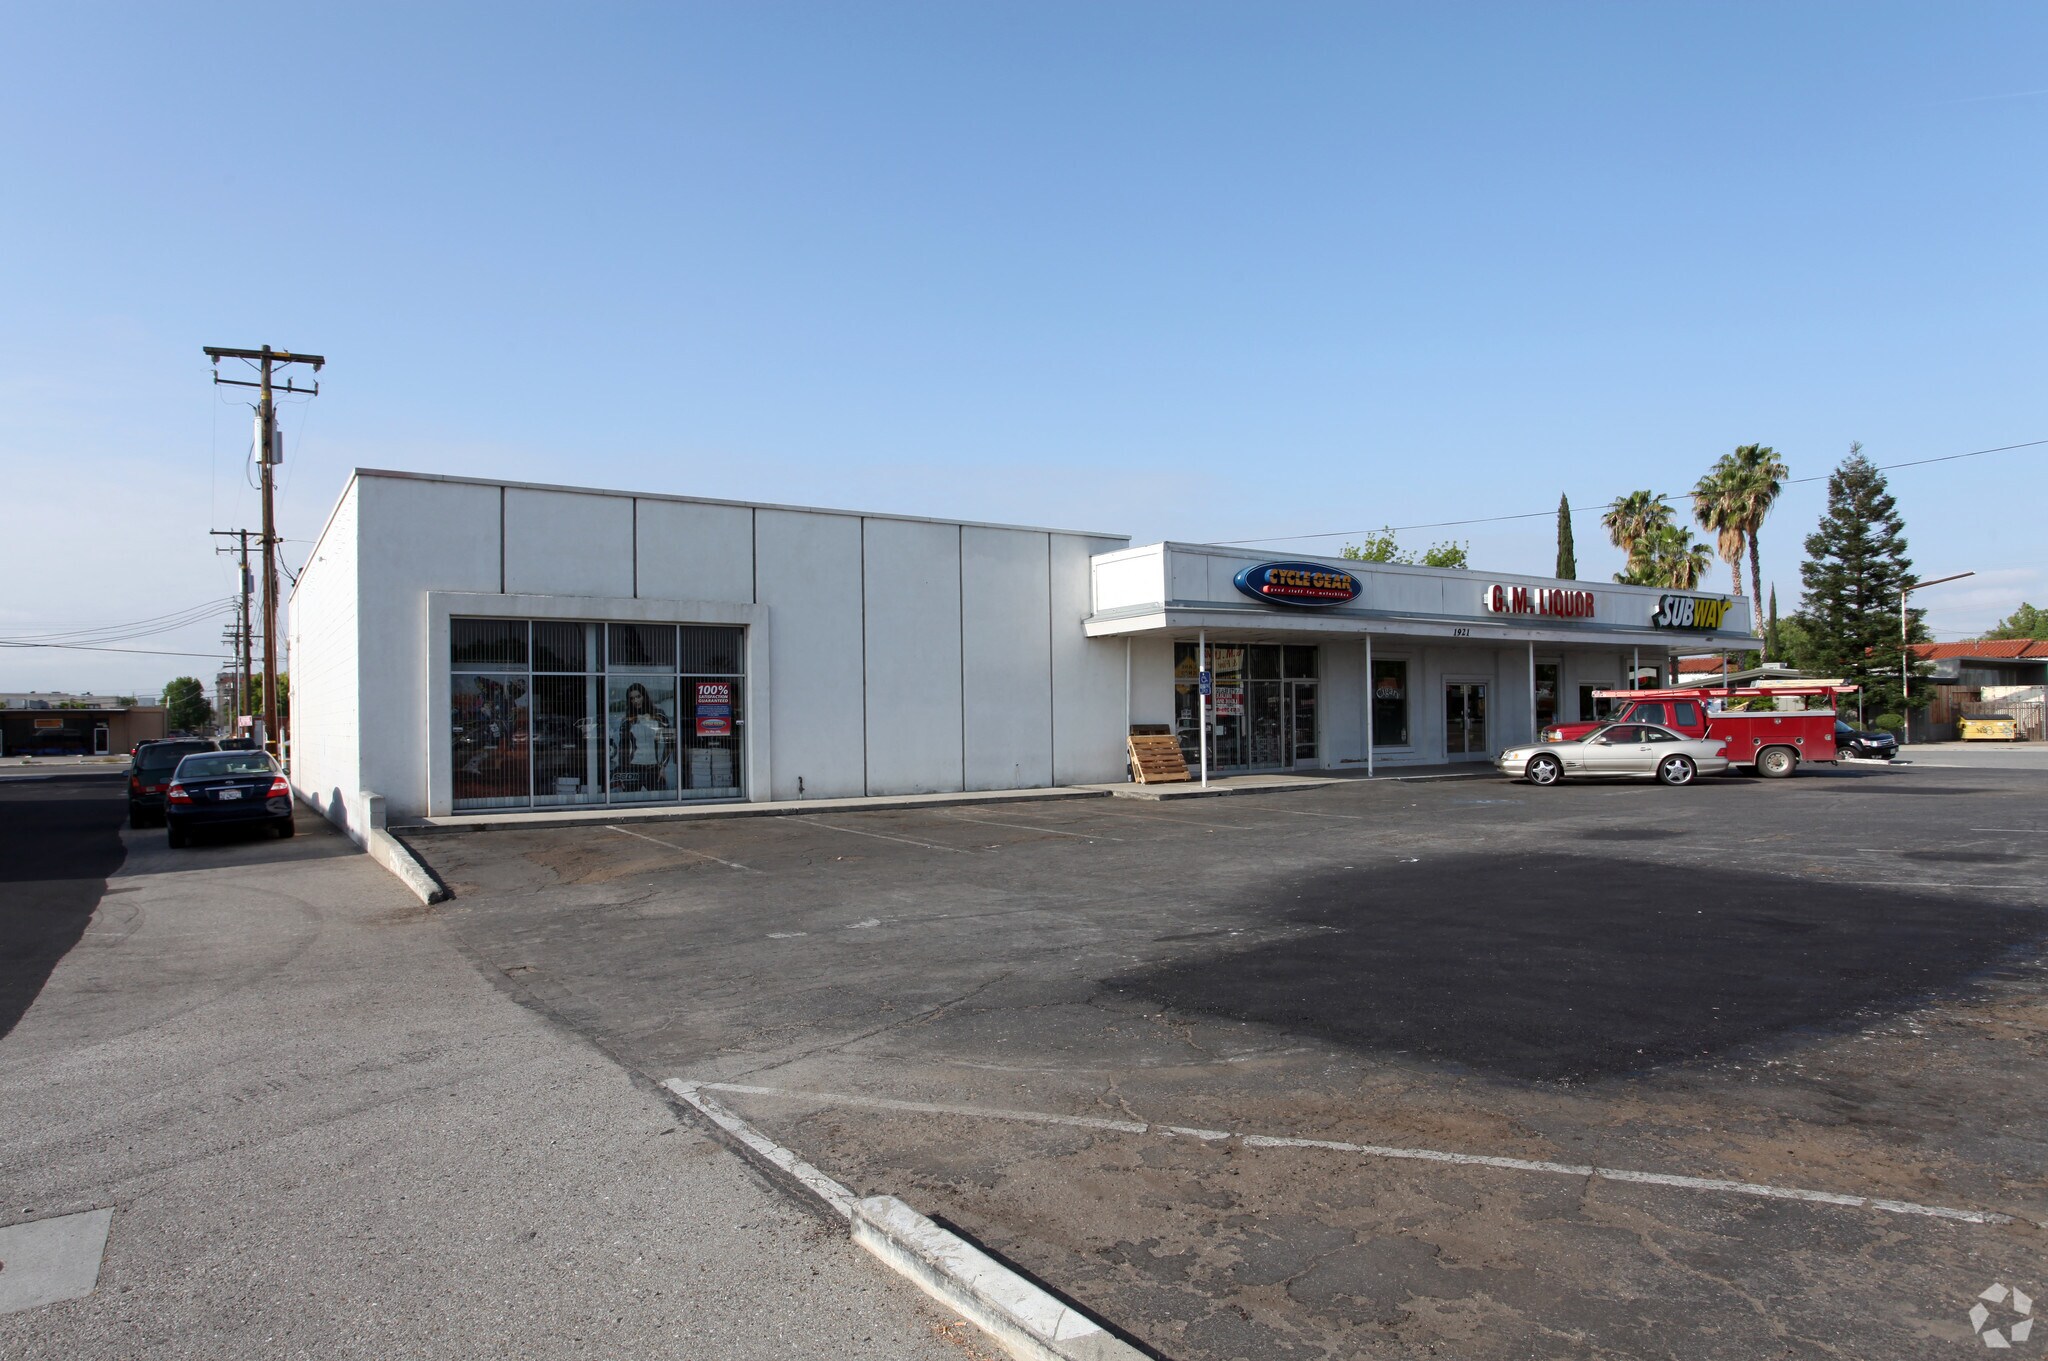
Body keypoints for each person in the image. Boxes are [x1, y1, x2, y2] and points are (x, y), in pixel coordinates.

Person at [614, 682, 672, 791]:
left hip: (654, 768)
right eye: (632, 698)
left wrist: (663, 766)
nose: (635, 701)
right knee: (630, 801)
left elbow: (671, 742)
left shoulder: (659, 715)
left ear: (644, 696)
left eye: (638, 697)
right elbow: (623, 747)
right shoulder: (627, 720)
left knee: (659, 800)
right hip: (632, 768)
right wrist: (622, 772)